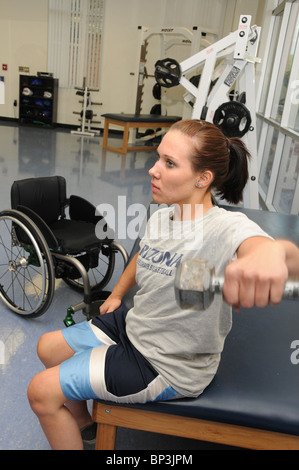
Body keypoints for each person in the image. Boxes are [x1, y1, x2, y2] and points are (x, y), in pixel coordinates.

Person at [27, 119, 299, 450]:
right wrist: (116, 293)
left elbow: (274, 252)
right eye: (158, 158)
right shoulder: (163, 215)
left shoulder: (223, 227)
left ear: (203, 178)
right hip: (138, 326)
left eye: (169, 163)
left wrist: (274, 253)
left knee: (40, 392)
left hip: (166, 362)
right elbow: (143, 255)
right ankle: (85, 425)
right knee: (47, 348)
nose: (153, 170)